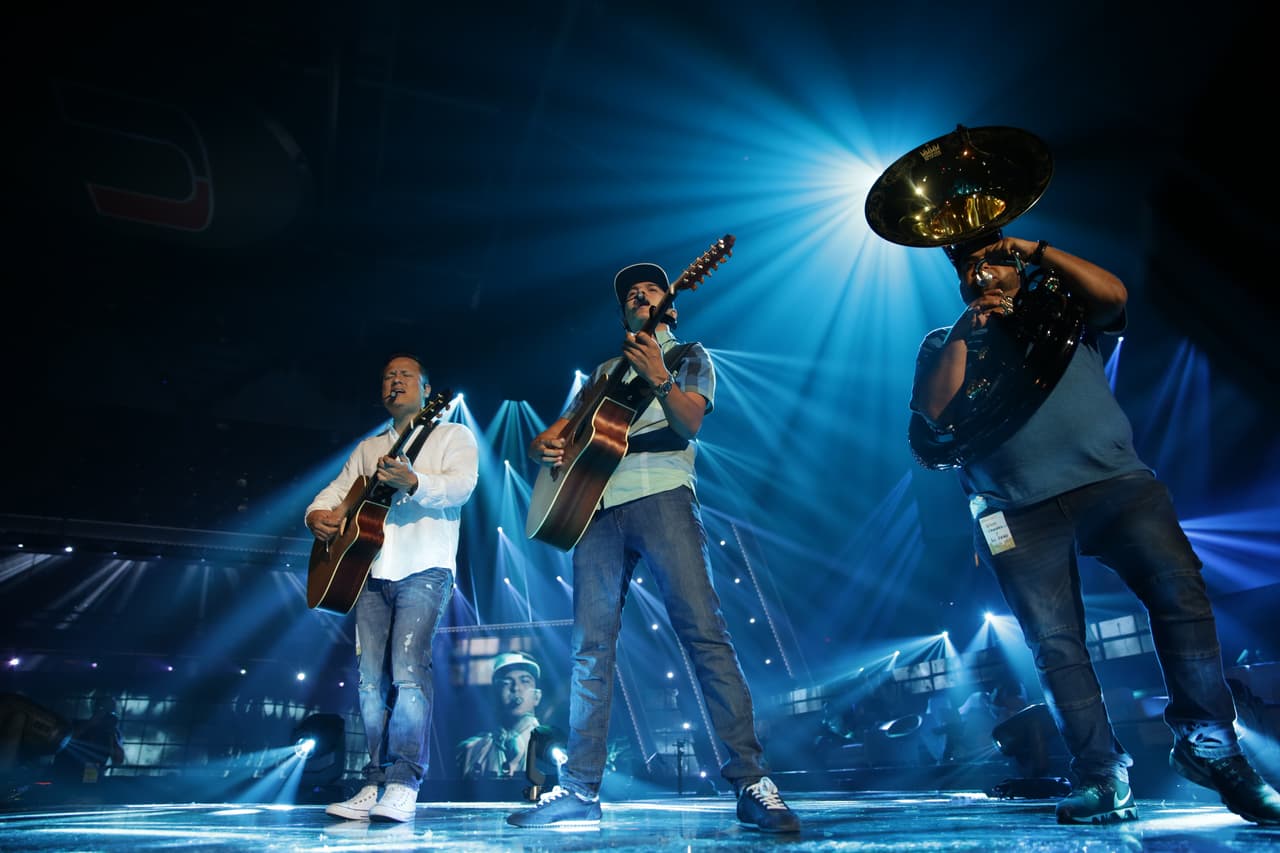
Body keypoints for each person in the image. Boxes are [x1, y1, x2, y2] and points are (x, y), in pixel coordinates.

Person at [910, 232, 1280, 826]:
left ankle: (1210, 747)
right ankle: (1101, 775)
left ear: (1016, 266)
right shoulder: (943, 340)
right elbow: (935, 409)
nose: (980, 275)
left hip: (1113, 481)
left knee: (1181, 594)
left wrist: (1036, 249)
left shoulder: (1059, 310)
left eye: (993, 263)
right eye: (968, 269)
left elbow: (1114, 297)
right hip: (1011, 509)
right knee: (1054, 643)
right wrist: (964, 329)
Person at [507, 262, 800, 832]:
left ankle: (751, 781)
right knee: (590, 649)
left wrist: (660, 378)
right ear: (624, 315)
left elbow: (690, 424)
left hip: (663, 493)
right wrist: (546, 444)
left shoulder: (690, 354)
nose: (639, 295)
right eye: (630, 295)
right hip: (593, 507)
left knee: (704, 633)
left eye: (650, 289)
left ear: (671, 304)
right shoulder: (602, 371)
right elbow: (560, 431)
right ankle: (580, 791)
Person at [306, 353, 479, 823]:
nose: (394, 381)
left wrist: (414, 481)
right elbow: (335, 492)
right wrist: (316, 515)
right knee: (368, 680)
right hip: (369, 570)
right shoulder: (369, 447)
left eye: (404, 375)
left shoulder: (451, 435)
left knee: (408, 671)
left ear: (427, 391)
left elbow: (462, 487)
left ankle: (404, 781)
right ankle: (373, 780)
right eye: (387, 376)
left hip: (425, 567)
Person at [456, 651, 544, 779]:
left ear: (537, 696)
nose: (516, 688)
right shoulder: (473, 749)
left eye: (525, 681)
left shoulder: (549, 745)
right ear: (495, 697)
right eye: (506, 683)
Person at [51, 693, 126, 784]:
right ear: (95, 709)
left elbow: (118, 761)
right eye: (103, 709)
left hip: (91, 776)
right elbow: (63, 741)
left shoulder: (113, 733)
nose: (106, 714)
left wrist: (113, 735)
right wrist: (90, 723)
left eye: (110, 711)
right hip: (66, 773)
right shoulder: (77, 724)